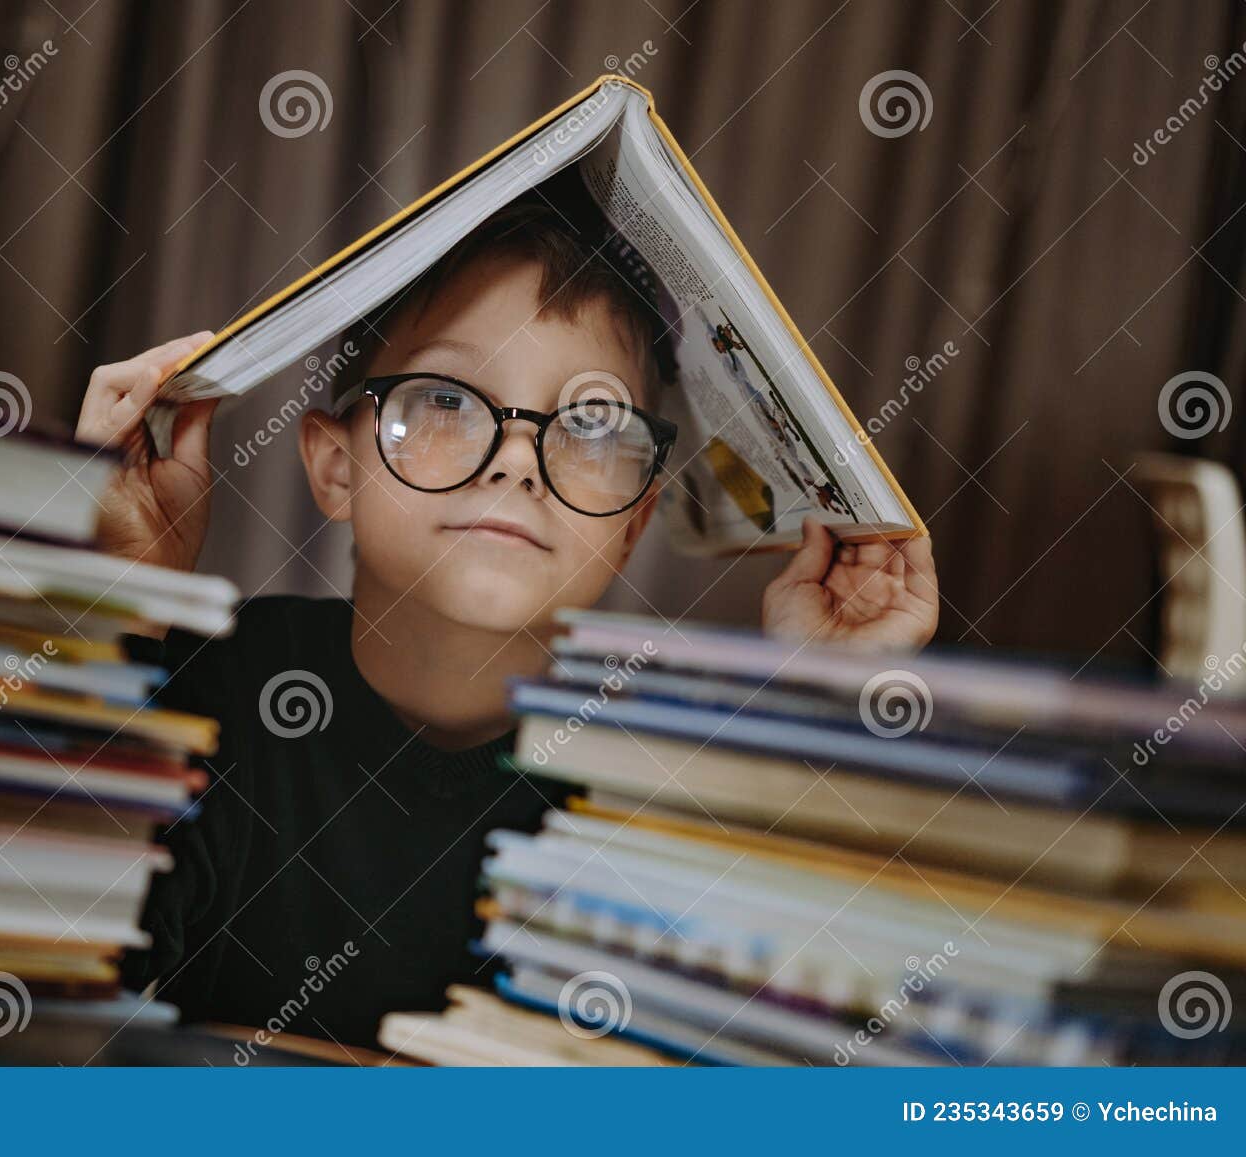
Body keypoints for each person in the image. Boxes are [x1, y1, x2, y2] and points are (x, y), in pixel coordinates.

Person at [76, 193, 940, 1049]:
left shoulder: (669, 772)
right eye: (447, 400)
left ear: (635, 521)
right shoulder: (220, 684)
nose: (523, 459)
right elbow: (54, 965)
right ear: (337, 468)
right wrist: (121, 593)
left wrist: (825, 704)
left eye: (592, 424)